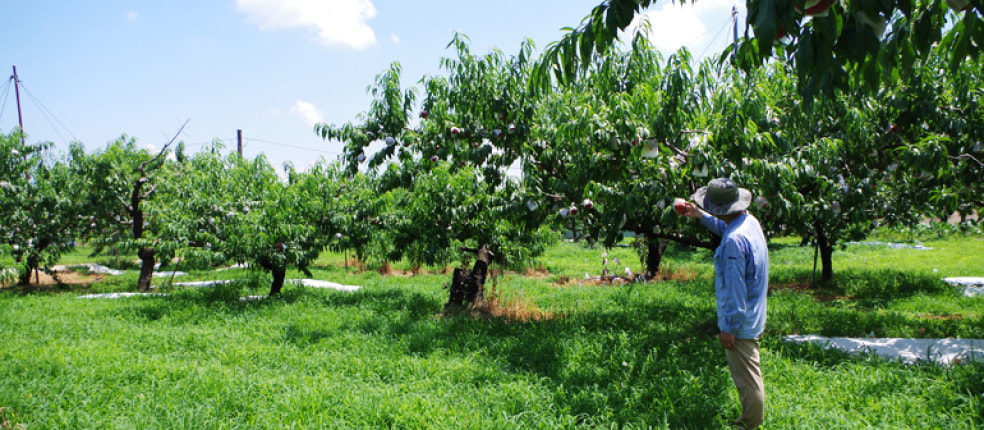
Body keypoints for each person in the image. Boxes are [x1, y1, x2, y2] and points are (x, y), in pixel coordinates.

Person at [676, 178, 769, 429]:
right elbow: (725, 226)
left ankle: (749, 424)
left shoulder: (732, 243)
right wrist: (700, 215)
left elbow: (735, 290)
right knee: (750, 373)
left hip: (742, 321)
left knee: (747, 380)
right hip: (755, 313)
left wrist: (729, 328)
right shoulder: (749, 222)